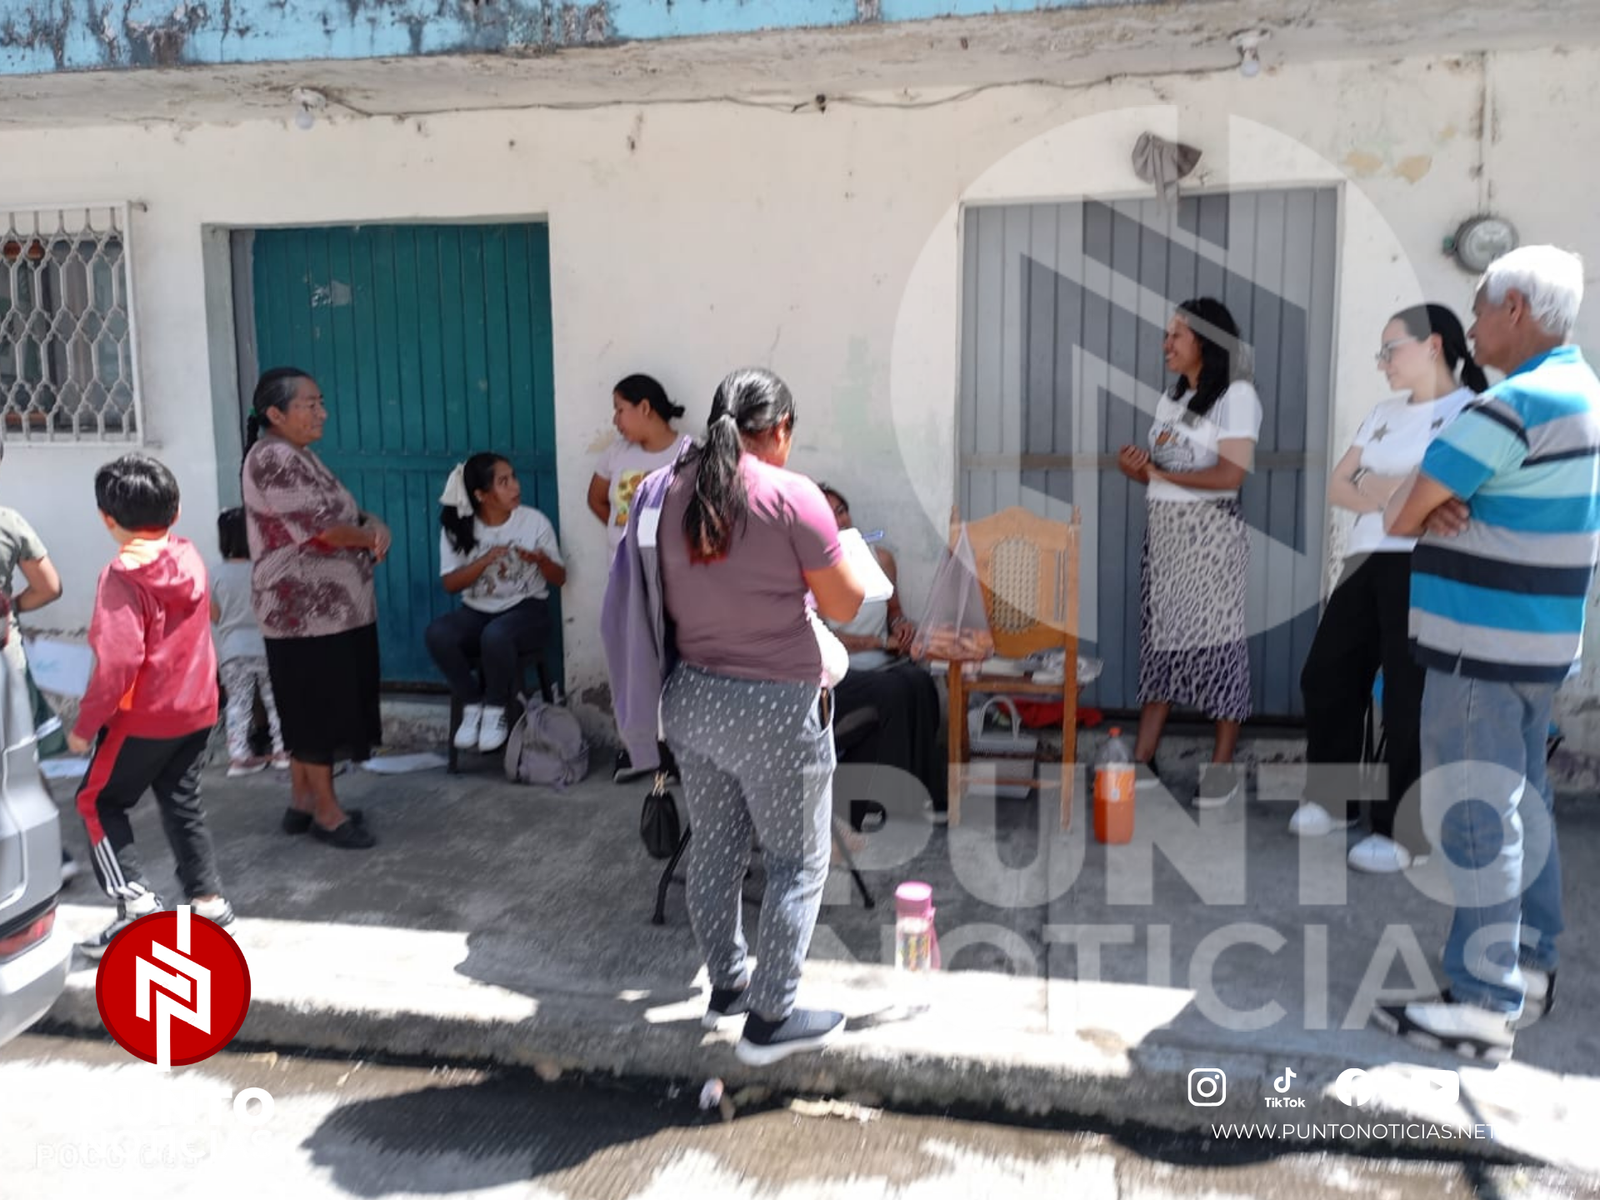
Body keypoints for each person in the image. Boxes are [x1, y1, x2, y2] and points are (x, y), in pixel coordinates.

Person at [602, 367, 865, 1066]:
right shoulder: (791, 496)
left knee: (717, 848)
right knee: (796, 863)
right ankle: (771, 1019)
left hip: (688, 699)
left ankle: (727, 987)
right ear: (780, 429)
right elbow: (842, 606)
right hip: (777, 704)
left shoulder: (659, 490)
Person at [1375, 246, 1599, 1062]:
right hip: (1537, 645)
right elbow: (1434, 505)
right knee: (1523, 806)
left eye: (1477, 309)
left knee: (1477, 819)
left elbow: (1403, 512)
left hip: (1479, 646)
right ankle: (1530, 964)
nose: (1469, 327)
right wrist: (1437, 505)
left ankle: (1481, 1000)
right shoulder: (1582, 393)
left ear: (1516, 310)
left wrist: (1428, 507)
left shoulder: (1514, 404)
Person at [1291, 306, 1485, 872]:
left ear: (1433, 346)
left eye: (1390, 350)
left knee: (1410, 699)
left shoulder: (1471, 413)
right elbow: (1337, 485)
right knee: (1326, 675)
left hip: (1424, 564)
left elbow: (1447, 496)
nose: (1382, 364)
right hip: (1363, 559)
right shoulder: (1382, 411)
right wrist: (1402, 497)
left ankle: (1407, 835)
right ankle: (1335, 798)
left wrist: (1380, 489)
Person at [67, 454, 233, 956]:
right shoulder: (187, 555)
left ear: (106, 518)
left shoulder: (120, 577)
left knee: (97, 800)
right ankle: (209, 904)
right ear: (176, 511)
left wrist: (84, 725)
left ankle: (135, 906)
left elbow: (118, 662)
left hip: (144, 716)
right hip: (199, 707)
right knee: (182, 800)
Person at [1117, 298, 1262, 808]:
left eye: (1176, 335)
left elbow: (1228, 477)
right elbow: (1163, 471)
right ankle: (1142, 759)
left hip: (1211, 538)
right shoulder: (1172, 397)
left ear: (1205, 340)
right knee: (1159, 649)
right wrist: (1136, 467)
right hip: (1164, 537)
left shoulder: (1237, 396)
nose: (1167, 344)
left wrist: (1155, 473)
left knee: (1219, 653)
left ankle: (1221, 770)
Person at [242, 367, 387, 850]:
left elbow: (343, 511)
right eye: (310, 404)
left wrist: (372, 523)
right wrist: (367, 537)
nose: (321, 412)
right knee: (318, 712)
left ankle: (303, 801)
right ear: (276, 414)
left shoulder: (299, 454)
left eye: (321, 402)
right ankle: (327, 813)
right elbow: (322, 530)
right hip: (302, 613)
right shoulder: (273, 459)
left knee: (315, 709)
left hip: (334, 612)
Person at [816, 484, 948, 824]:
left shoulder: (878, 558)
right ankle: (883, 801)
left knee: (920, 682)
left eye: (841, 510)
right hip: (842, 673)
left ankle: (927, 794)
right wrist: (879, 644)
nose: (839, 518)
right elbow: (818, 635)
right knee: (893, 693)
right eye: (828, 514)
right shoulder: (813, 569)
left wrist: (902, 626)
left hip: (883, 664)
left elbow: (894, 611)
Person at [426, 452, 566, 754]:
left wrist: (541, 560)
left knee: (497, 635)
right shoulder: (458, 528)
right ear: (481, 495)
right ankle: (473, 703)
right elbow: (451, 584)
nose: (515, 486)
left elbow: (560, 578)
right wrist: (484, 561)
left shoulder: (533, 521)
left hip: (528, 611)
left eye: (513, 477)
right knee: (438, 633)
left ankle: (495, 709)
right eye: (504, 482)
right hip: (477, 611)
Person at [588, 372, 691, 782]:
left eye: (620, 409)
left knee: (675, 664)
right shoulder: (617, 453)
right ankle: (640, 751)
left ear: (645, 408)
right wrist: (626, 542)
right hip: (626, 581)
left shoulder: (688, 452)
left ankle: (680, 753)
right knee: (633, 667)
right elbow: (597, 499)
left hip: (673, 583)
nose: (615, 420)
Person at [0, 446, 76, 880]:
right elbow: (48, 587)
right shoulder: (9, 522)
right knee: (20, 762)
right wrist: (10, 606)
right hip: (6, 661)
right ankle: (52, 854)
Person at [211, 507, 290, 777]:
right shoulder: (265, 571)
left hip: (233, 650)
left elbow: (214, 615)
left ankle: (239, 758)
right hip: (267, 645)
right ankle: (282, 751)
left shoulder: (215, 573)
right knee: (276, 700)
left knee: (238, 703)